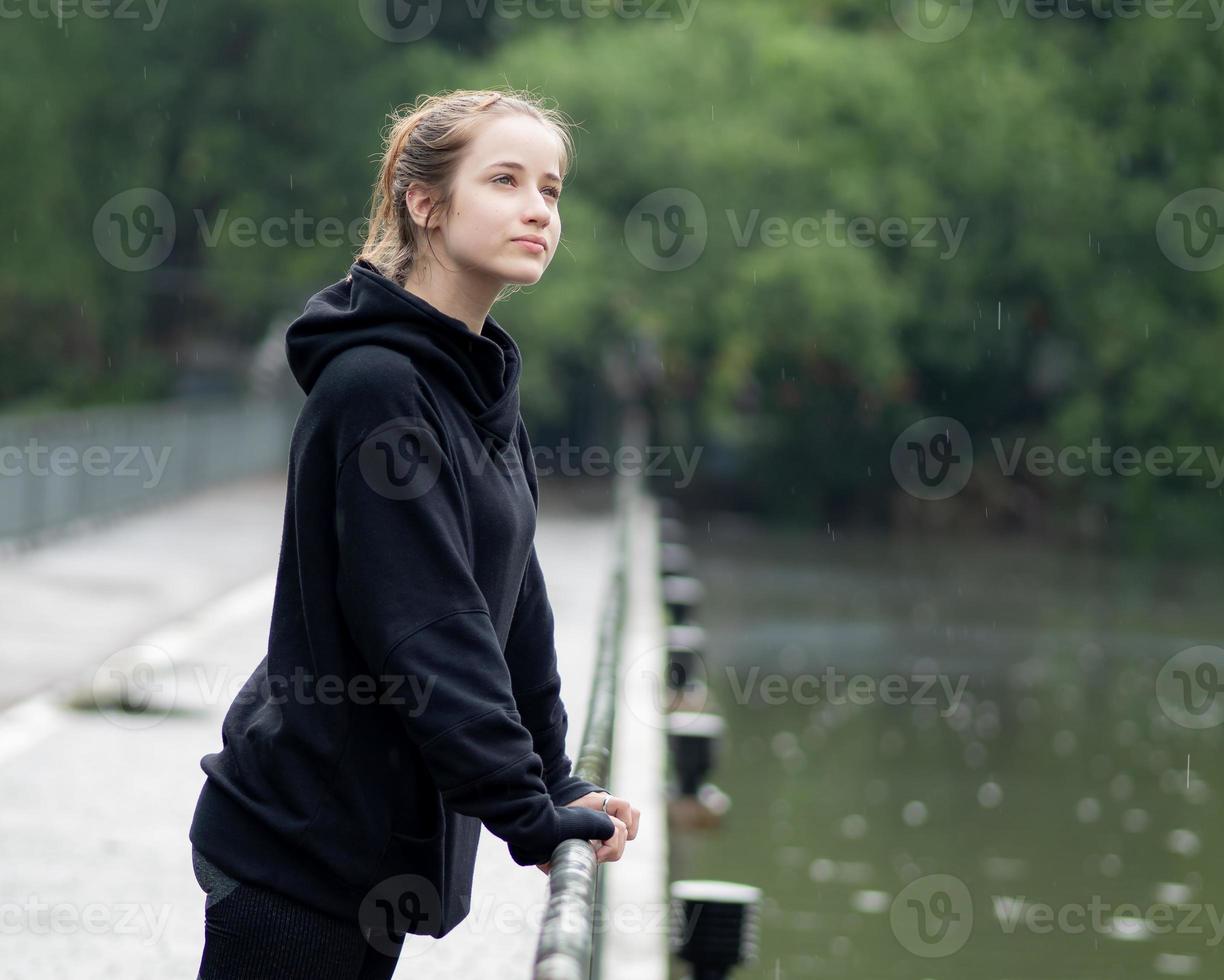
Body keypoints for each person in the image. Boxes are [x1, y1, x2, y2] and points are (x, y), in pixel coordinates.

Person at [189, 87, 641, 980]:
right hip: (299, 851)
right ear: (423, 200)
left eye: (551, 188)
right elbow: (428, 627)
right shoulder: (378, 389)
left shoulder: (476, 382)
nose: (538, 209)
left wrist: (553, 778)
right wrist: (526, 811)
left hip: (368, 852)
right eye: (505, 180)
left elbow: (513, 608)